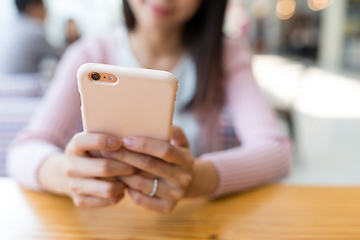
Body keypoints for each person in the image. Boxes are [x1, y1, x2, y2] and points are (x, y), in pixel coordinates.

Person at [7, 0, 291, 213]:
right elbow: (24, 150)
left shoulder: (225, 54)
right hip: (103, 221)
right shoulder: (89, 53)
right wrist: (67, 175)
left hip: (190, 218)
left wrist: (197, 179)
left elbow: (276, 151)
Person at [0, 0, 61, 74]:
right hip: (23, 83)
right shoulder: (34, 31)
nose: (46, 13)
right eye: (44, 8)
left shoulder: (9, 28)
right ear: (32, 7)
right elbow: (63, 57)